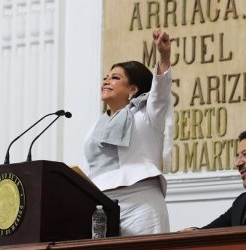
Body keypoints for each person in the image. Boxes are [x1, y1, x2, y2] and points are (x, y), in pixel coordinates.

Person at [82, 29, 172, 236]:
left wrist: (164, 57)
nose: (106, 81)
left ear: (132, 90)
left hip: (141, 203)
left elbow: (160, 91)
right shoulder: (95, 128)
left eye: (115, 78)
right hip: (101, 210)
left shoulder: (147, 115)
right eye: (105, 78)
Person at [182, 131, 246, 231]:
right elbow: (210, 231)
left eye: (245, 154)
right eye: (237, 156)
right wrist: (193, 233)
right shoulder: (241, 203)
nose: (238, 163)